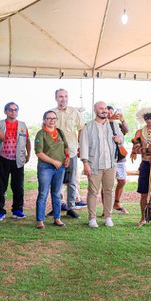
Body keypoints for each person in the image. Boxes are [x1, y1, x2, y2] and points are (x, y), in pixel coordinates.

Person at [80, 101, 122, 228]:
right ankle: (92, 218)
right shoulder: (88, 126)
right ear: (95, 110)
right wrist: (85, 163)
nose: (104, 110)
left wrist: (119, 139)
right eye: (101, 108)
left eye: (105, 108)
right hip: (94, 164)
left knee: (108, 191)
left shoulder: (113, 124)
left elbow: (121, 139)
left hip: (110, 164)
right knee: (93, 192)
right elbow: (84, 146)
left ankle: (108, 217)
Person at [0, 102, 31, 221]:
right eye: (10, 110)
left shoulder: (22, 125)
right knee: (1, 186)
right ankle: (0, 211)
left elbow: (27, 140)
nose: (13, 112)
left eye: (16, 110)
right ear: (5, 111)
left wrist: (28, 154)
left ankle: (17, 210)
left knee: (18, 186)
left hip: (18, 160)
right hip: (3, 159)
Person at [53, 89, 85, 218]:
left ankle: (71, 207)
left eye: (66, 96)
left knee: (72, 180)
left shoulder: (74, 112)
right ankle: (58, 205)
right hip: (55, 153)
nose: (63, 99)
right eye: (61, 96)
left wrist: (79, 145)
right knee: (57, 180)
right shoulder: (52, 113)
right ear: (56, 98)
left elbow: (81, 129)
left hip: (71, 151)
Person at [34, 110, 69, 229]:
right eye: (49, 118)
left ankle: (57, 218)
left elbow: (66, 146)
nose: (52, 120)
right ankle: (40, 220)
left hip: (60, 167)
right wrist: (53, 162)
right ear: (44, 120)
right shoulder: (41, 134)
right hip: (46, 167)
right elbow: (39, 153)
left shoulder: (59, 132)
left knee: (57, 193)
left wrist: (67, 157)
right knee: (43, 193)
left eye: (54, 118)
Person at [107, 106, 130, 214]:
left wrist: (122, 119)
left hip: (120, 157)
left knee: (122, 181)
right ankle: (106, 208)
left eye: (112, 112)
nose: (111, 114)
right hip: (107, 157)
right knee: (107, 183)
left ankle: (116, 202)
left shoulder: (118, 125)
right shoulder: (103, 125)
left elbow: (126, 130)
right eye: (108, 113)